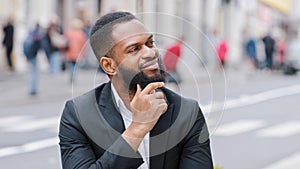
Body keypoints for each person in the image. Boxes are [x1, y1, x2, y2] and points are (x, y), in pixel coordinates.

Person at [59, 11, 213, 169]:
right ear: (109, 66)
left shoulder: (188, 112)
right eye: (134, 49)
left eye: (150, 43)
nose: (150, 52)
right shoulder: (78, 115)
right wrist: (137, 128)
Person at [63, 18, 87, 83]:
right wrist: (84, 53)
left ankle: (71, 75)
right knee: (75, 66)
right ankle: (73, 75)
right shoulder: (81, 34)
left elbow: (64, 42)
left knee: (71, 65)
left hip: (70, 52)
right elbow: (83, 44)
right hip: (78, 53)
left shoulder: (68, 33)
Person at [23, 24, 42, 95]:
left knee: (31, 72)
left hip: (30, 55)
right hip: (33, 55)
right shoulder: (37, 35)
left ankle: (31, 88)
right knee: (34, 72)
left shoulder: (29, 35)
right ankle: (33, 89)